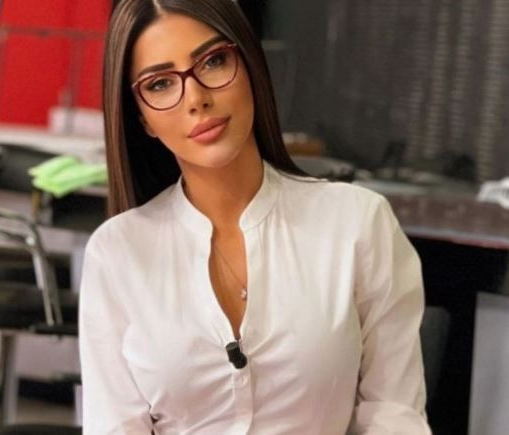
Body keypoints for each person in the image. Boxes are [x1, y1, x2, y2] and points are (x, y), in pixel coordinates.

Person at [78, 0, 431, 433]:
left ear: (250, 65)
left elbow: (394, 415)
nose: (196, 99)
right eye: (160, 84)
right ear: (143, 119)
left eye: (213, 61)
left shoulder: (358, 223)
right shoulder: (117, 252)